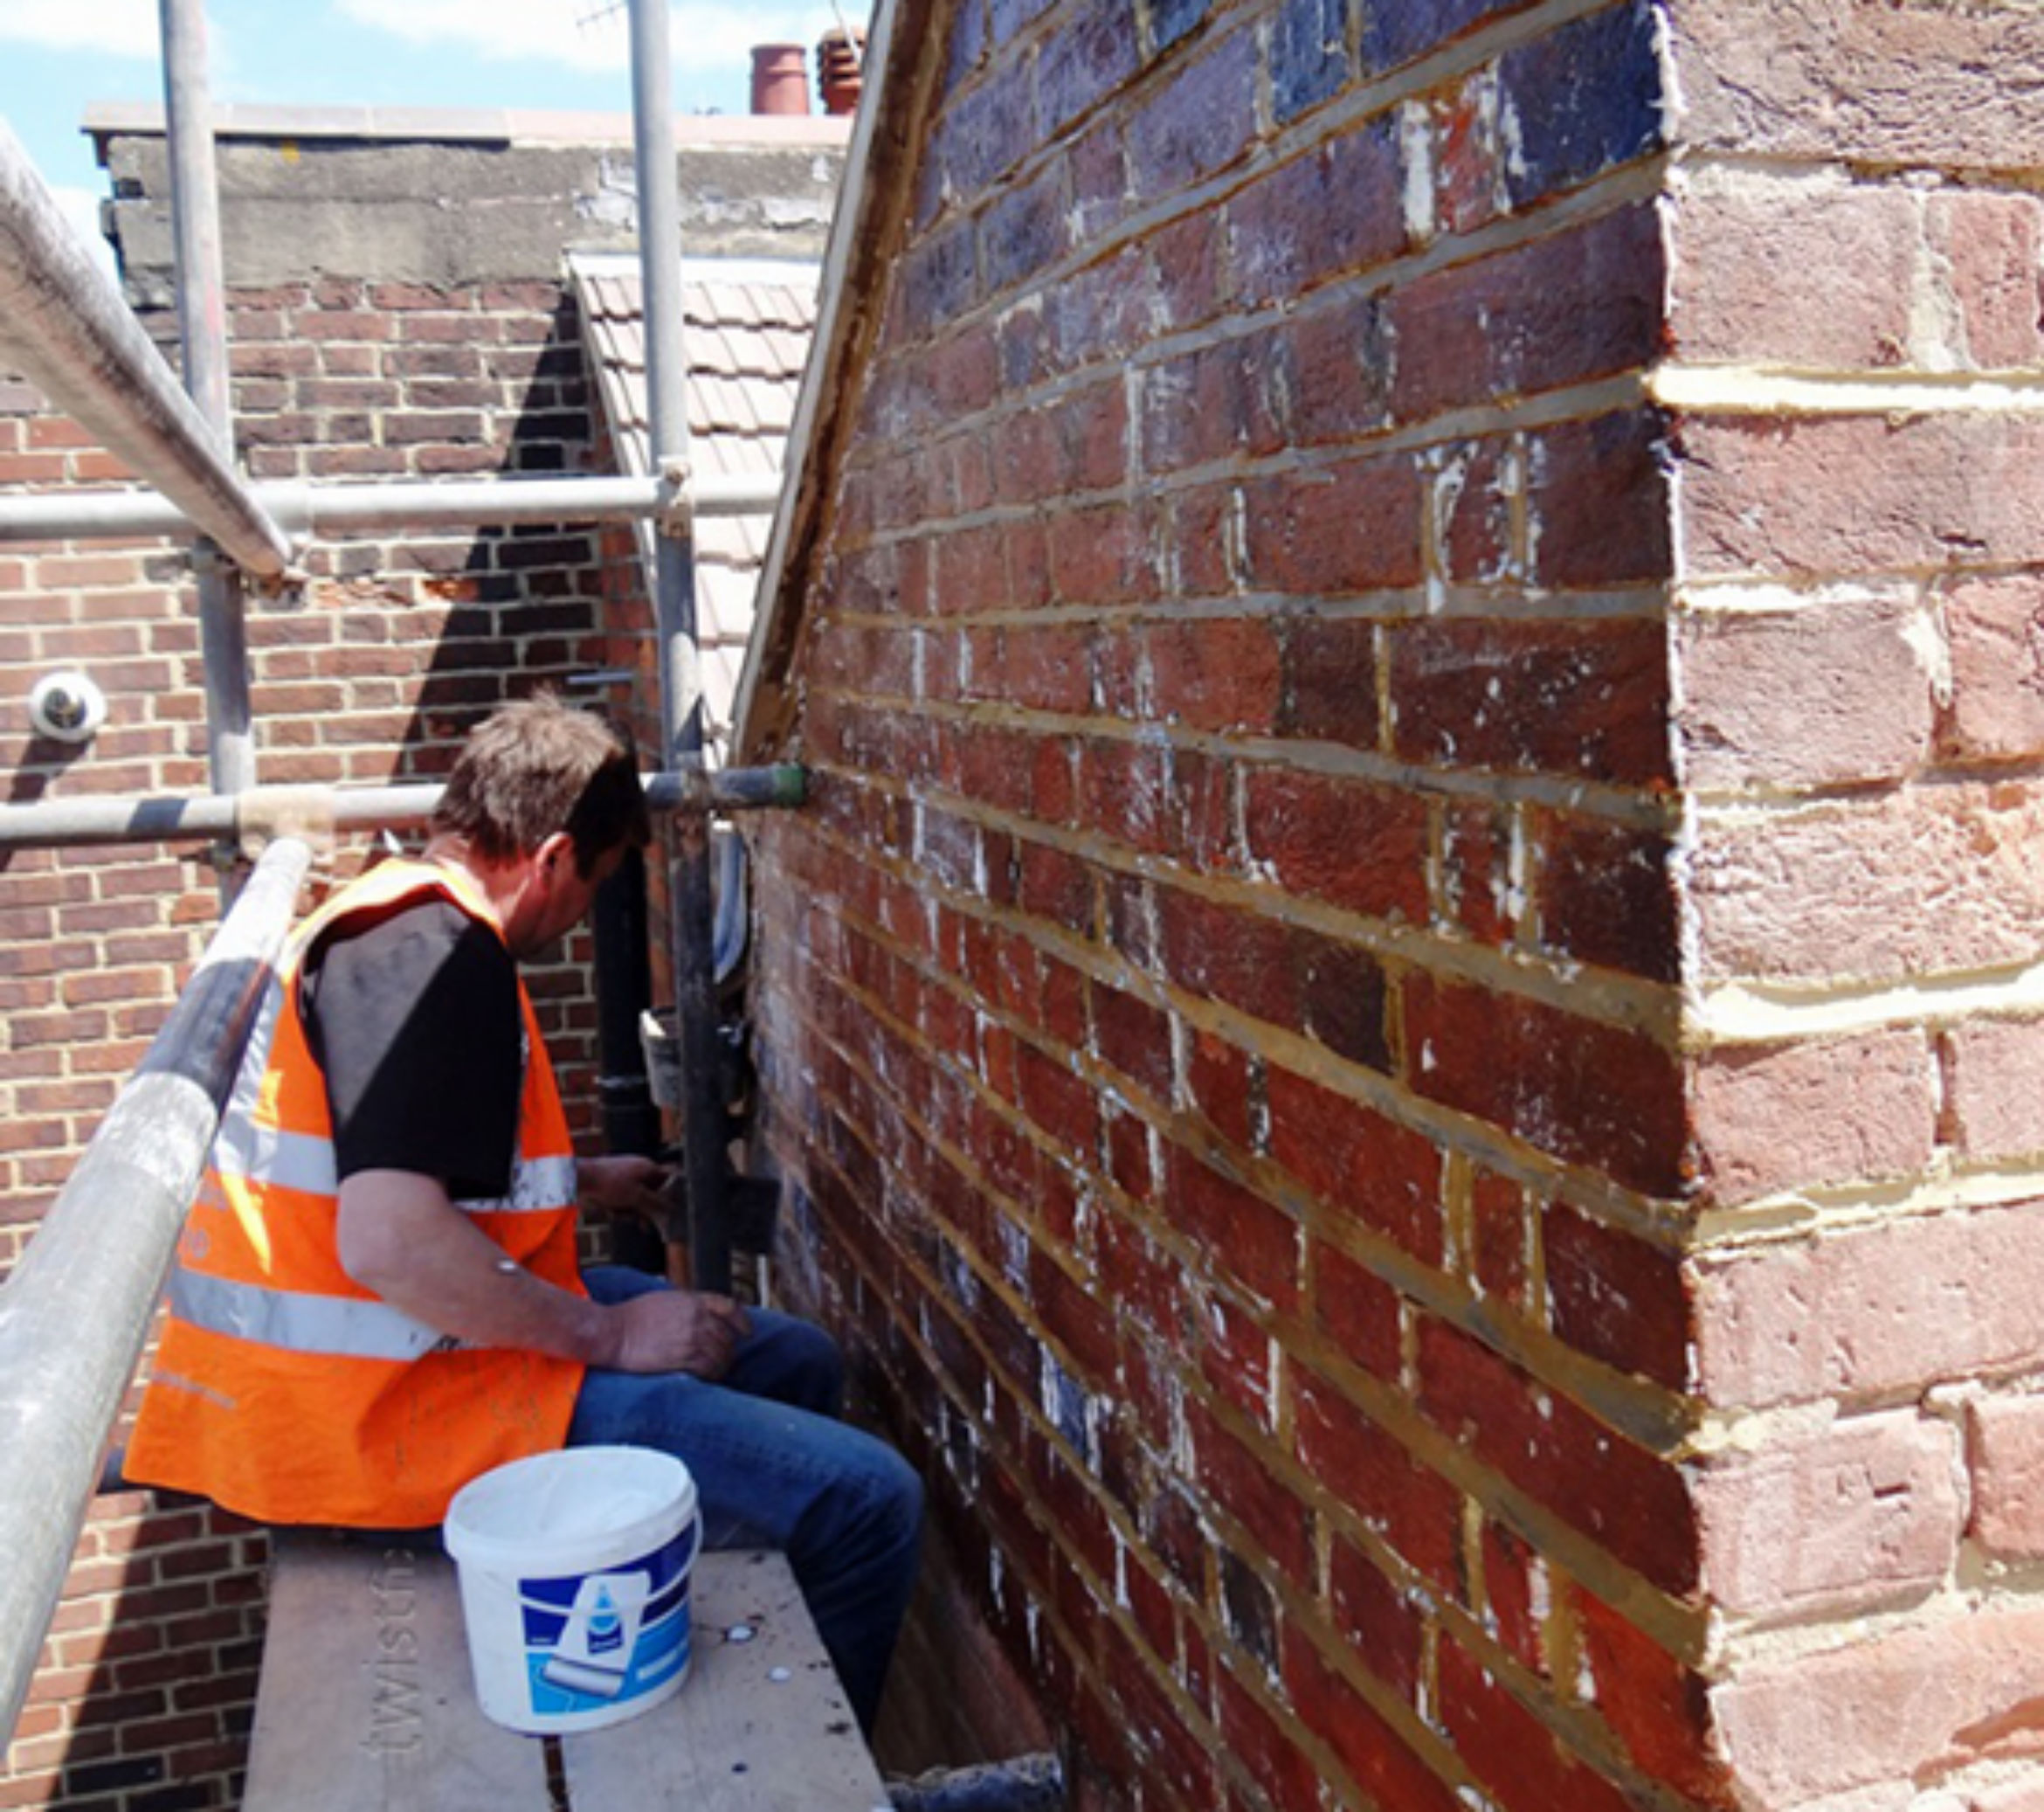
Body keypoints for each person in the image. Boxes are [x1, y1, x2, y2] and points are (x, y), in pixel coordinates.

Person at [127, 694, 921, 1733]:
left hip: (391, 1378)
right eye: (591, 884)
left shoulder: (387, 921)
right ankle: (797, 1774)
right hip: (386, 1425)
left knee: (794, 1359)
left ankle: (706, 1651)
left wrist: (586, 1179)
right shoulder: (434, 958)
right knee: (870, 1502)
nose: (582, 912)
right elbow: (389, 1239)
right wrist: (611, 1334)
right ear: (550, 858)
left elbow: (380, 1162)